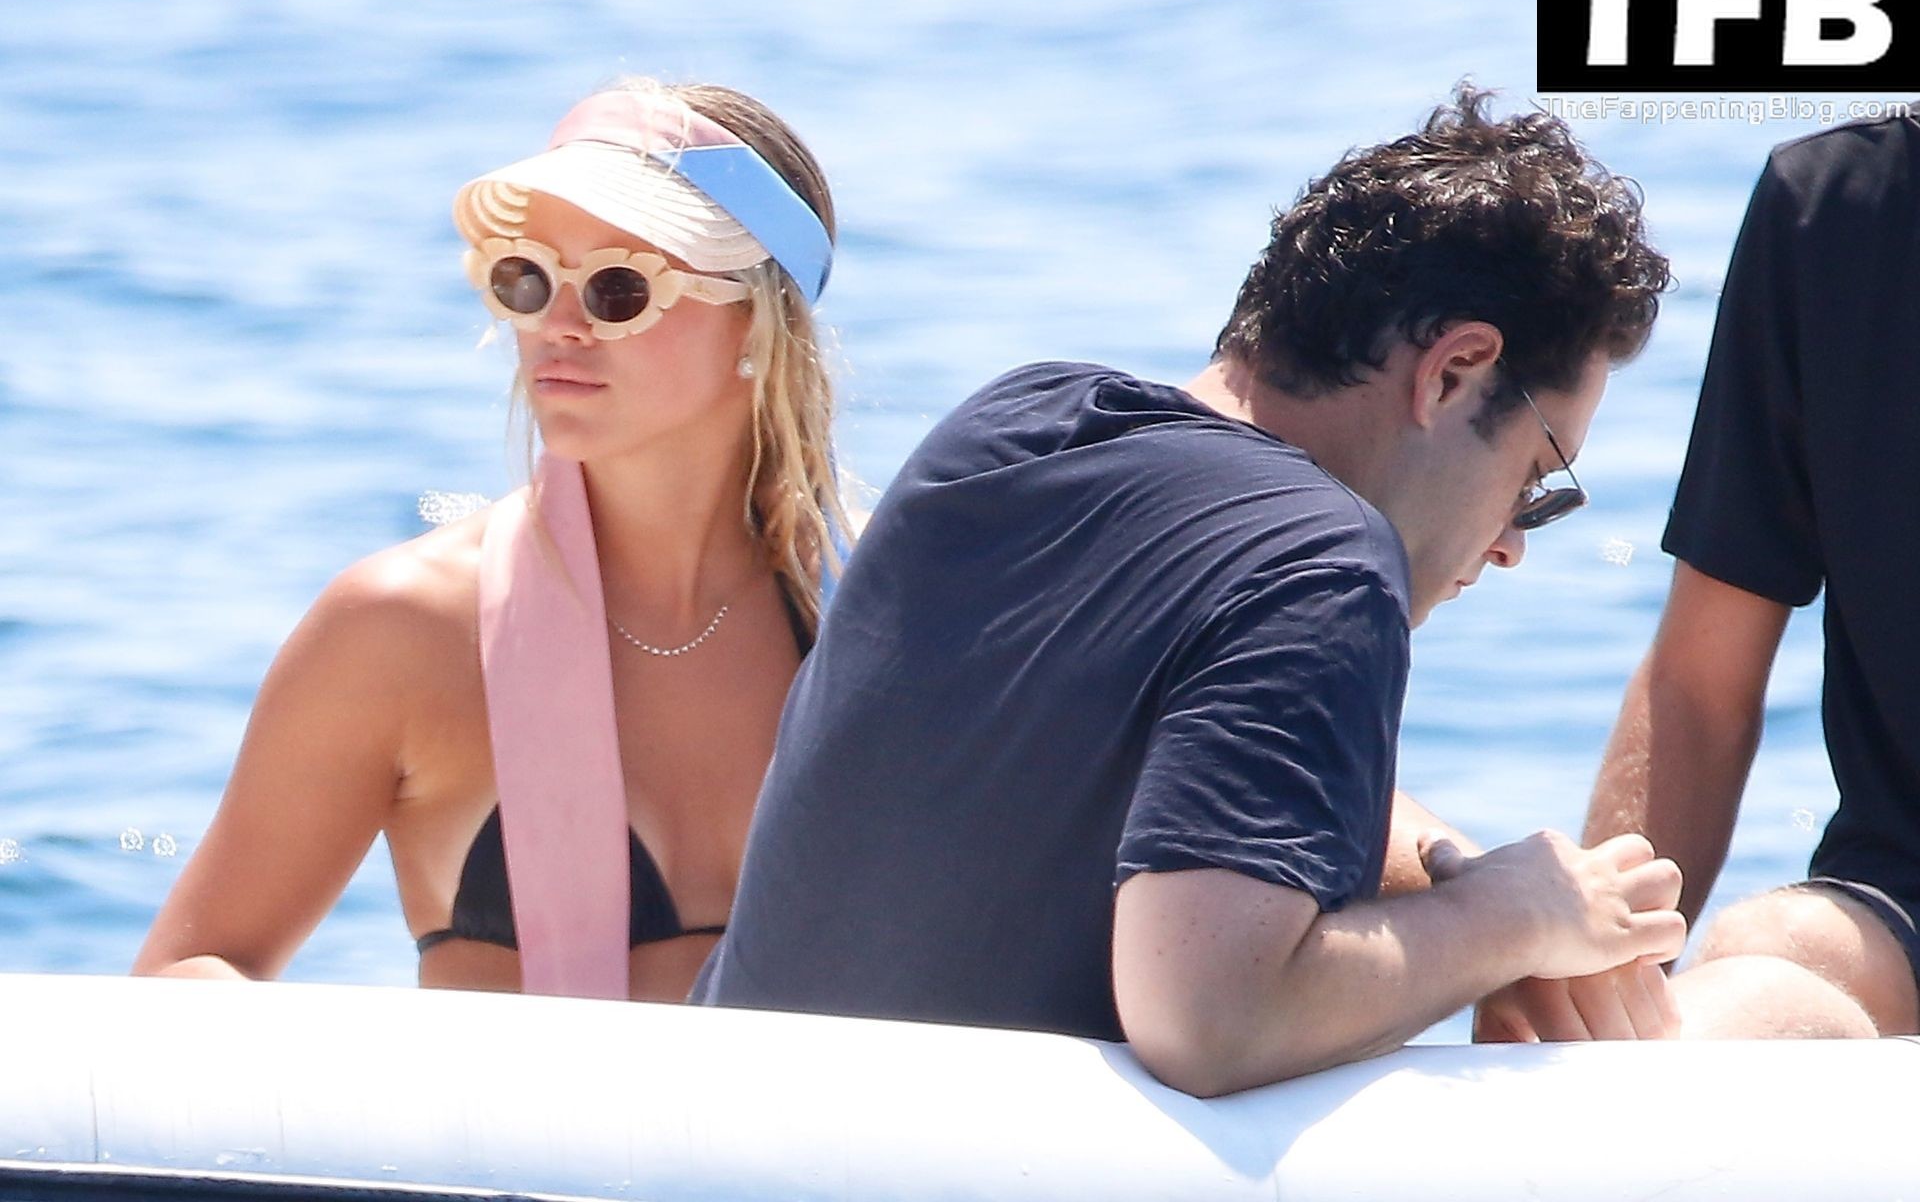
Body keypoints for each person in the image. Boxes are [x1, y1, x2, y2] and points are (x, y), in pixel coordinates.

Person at [695, 85, 1683, 1094]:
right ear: (1454, 371)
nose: (1513, 543)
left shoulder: (1013, 427)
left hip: (714, 1130)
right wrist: (1505, 919)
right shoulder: (1323, 561)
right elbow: (1209, 1019)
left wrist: (1466, 875)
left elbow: (1181, 749)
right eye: (1537, 478)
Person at [134, 77, 852, 1002]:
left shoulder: (884, 616)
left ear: (757, 320)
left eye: (618, 288)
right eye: (527, 279)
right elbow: (186, 975)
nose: (557, 326)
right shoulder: (404, 626)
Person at [1488, 112, 1920, 1042]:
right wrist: (1590, 972)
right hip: (1903, 910)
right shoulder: (1835, 210)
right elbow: (1699, 684)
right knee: (1772, 947)